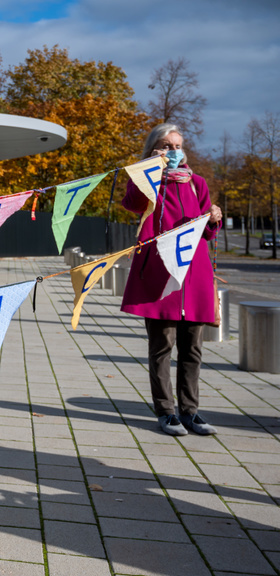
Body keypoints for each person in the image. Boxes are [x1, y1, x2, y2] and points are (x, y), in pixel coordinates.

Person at [120, 122, 222, 437]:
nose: (173, 151)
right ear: (155, 147)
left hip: (194, 275)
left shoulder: (197, 183)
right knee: (161, 347)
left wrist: (213, 219)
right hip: (160, 276)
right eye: (166, 145)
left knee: (193, 348)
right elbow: (134, 204)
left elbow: (205, 230)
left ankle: (190, 412)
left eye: (177, 145)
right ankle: (166, 413)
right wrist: (150, 167)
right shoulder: (146, 179)